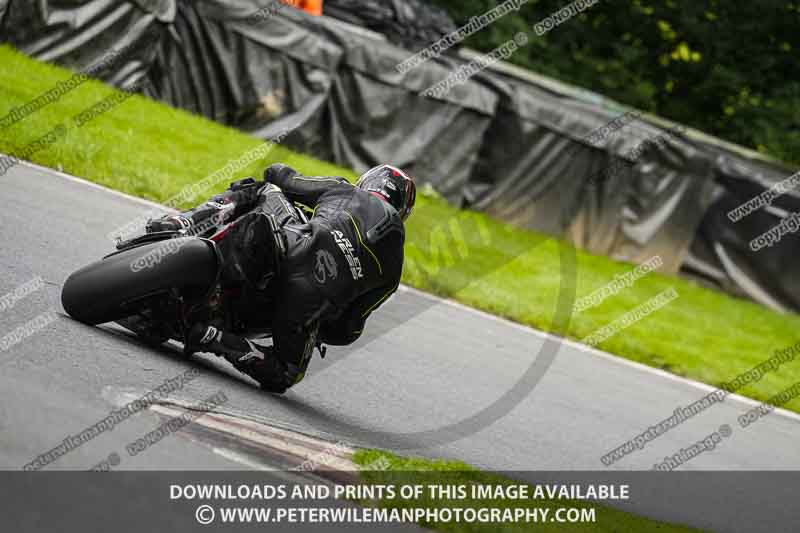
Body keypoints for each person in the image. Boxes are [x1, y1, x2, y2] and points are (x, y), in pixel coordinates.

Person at [146, 163, 415, 393]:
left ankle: (184, 222)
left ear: (367, 181)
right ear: (403, 211)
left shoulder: (343, 188)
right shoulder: (394, 270)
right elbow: (348, 330)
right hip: (305, 303)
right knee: (287, 373)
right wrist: (324, 316)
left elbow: (279, 175)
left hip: (287, 244)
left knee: (262, 188)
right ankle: (213, 337)